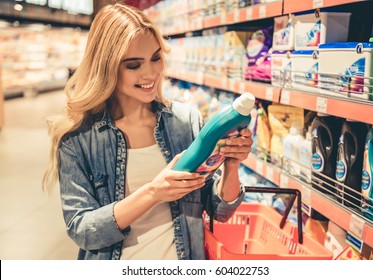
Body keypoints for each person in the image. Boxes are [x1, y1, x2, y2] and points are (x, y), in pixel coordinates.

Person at [43, 3, 253, 260]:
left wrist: (231, 166)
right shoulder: (79, 138)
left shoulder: (185, 121)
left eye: (155, 58)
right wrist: (153, 192)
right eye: (133, 65)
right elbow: (82, 230)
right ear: (107, 67)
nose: (151, 72)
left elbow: (220, 211)